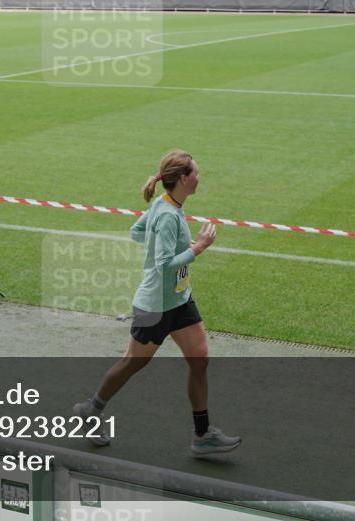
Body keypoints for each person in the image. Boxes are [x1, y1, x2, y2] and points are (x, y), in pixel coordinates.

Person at [74, 150, 241, 456]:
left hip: (179, 299)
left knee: (199, 359)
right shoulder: (165, 213)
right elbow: (164, 266)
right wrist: (198, 248)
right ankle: (90, 410)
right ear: (183, 179)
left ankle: (202, 435)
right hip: (156, 305)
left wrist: (178, 246)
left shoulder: (165, 205)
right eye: (196, 173)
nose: (199, 177)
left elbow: (136, 232)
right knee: (133, 363)